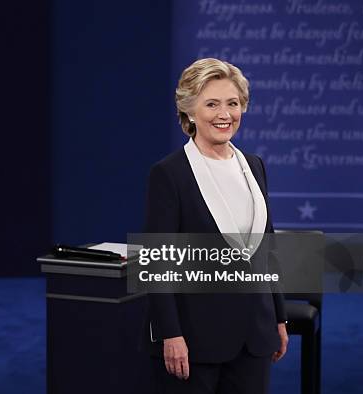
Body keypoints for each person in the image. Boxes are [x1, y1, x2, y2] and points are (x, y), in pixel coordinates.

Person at [143, 58, 288, 394]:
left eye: (233, 103)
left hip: (254, 335)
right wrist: (171, 334)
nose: (225, 114)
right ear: (190, 112)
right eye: (212, 104)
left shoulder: (254, 166)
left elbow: (267, 245)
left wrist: (278, 316)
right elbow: (157, 261)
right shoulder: (169, 174)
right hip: (195, 341)